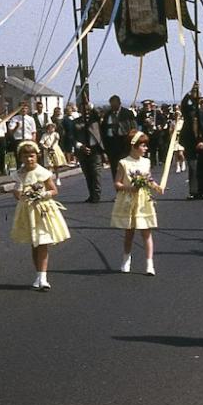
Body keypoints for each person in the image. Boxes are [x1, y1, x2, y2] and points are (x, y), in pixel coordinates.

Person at [11, 141, 70, 290]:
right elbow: (17, 193)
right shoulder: (19, 174)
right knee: (35, 243)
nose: (29, 159)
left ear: (37, 156)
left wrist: (44, 194)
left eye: (31, 156)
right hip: (28, 210)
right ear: (20, 158)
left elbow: (54, 190)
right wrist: (20, 192)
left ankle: (43, 277)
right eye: (25, 157)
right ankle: (38, 274)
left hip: (43, 210)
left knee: (43, 241)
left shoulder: (42, 172)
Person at [111, 130, 163, 275]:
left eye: (146, 145)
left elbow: (149, 179)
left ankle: (149, 264)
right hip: (129, 200)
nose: (146, 148)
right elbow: (117, 183)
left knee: (146, 231)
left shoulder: (146, 162)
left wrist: (157, 187)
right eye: (143, 145)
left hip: (143, 200)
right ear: (134, 146)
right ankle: (126, 259)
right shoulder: (124, 163)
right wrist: (129, 188)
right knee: (129, 232)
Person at [180, 82, 203, 199]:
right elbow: (183, 104)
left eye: (197, 97)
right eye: (194, 98)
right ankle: (193, 191)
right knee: (193, 167)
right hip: (190, 143)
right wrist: (191, 92)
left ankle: (202, 191)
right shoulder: (188, 110)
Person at [72, 99, 105, 203]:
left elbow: (98, 112)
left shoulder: (95, 119)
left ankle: (96, 195)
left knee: (96, 173)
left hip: (95, 150)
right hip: (82, 151)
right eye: (83, 110)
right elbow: (71, 138)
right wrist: (80, 146)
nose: (86, 112)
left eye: (87, 110)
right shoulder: (75, 122)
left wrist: (89, 103)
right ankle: (91, 194)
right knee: (88, 174)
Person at [102, 94, 136, 181]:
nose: (113, 107)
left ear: (119, 103)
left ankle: (128, 187)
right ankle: (119, 190)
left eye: (115, 105)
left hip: (125, 145)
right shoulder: (107, 115)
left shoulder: (127, 113)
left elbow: (133, 128)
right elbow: (103, 131)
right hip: (112, 146)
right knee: (115, 170)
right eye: (111, 105)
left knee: (126, 167)